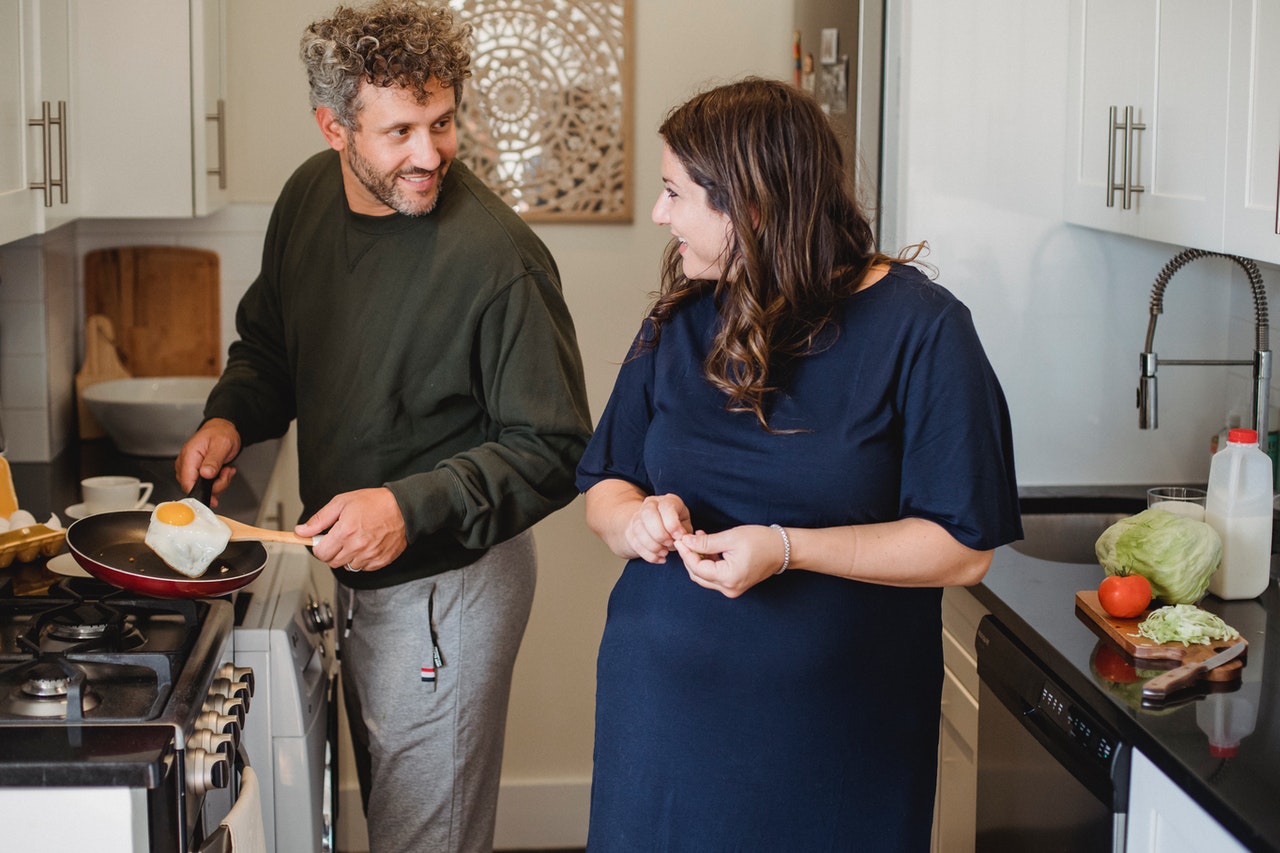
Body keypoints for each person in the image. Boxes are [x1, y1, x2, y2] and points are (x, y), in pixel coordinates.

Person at [174, 2, 592, 851]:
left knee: (422, 837)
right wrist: (230, 416)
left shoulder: (497, 259)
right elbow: (271, 346)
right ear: (335, 128)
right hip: (363, 571)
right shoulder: (304, 201)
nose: (429, 154)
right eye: (399, 131)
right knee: (397, 821)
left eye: (441, 123)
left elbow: (552, 447)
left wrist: (407, 507)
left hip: (450, 581)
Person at [575, 77, 1022, 851]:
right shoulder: (680, 317)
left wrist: (786, 547)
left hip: (838, 731)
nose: (659, 214)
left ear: (748, 206)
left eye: (676, 193)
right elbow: (606, 484)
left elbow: (964, 545)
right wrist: (633, 519)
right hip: (661, 718)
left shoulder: (925, 331)